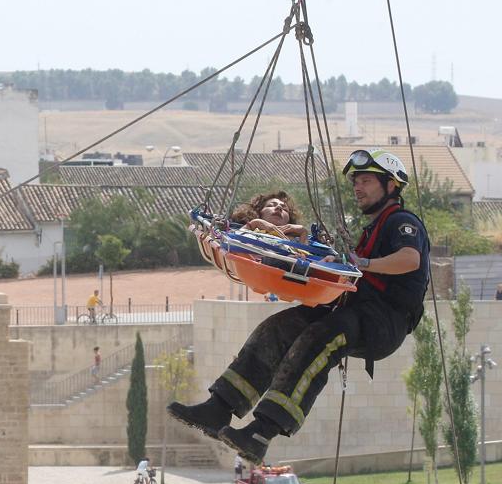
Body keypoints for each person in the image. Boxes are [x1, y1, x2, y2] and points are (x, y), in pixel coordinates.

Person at [168, 149, 430, 466]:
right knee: (277, 329)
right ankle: (219, 406)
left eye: (365, 180)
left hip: (383, 322)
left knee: (320, 338)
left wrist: (364, 263)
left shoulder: (403, 222)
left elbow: (410, 259)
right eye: (356, 181)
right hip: (353, 310)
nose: (357, 187)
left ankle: (262, 432)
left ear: (391, 186)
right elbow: (352, 270)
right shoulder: (373, 228)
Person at [230, 192, 310, 242]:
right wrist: (256, 223)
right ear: (258, 212)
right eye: (271, 205)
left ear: (289, 220)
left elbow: (306, 262)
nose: (279, 208)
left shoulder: (293, 240)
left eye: (285, 209)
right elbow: (232, 243)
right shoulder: (250, 231)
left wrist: (303, 233)